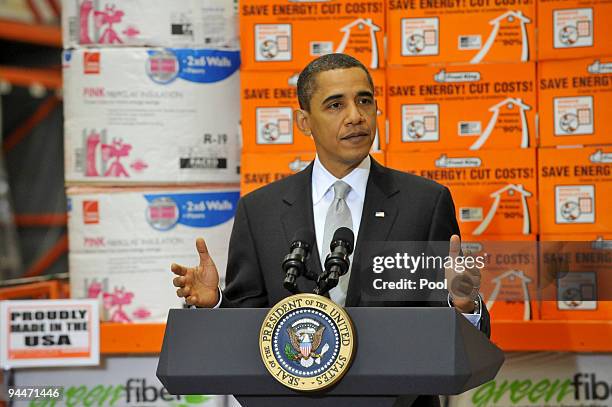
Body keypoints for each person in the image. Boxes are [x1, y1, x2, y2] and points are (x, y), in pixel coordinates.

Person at [171, 53, 488, 407]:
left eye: (364, 100)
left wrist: (462, 303)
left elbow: (447, 336)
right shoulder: (260, 210)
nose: (356, 116)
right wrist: (214, 303)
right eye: (336, 104)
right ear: (303, 122)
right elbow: (248, 329)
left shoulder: (424, 203)